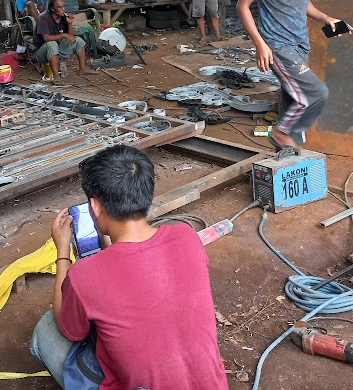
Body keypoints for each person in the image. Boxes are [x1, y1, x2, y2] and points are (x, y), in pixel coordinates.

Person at [30, 145, 227, 390]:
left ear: (96, 207)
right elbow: (144, 276)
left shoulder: (85, 275)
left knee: (47, 328)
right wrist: (109, 245)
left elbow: (71, 330)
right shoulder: (187, 237)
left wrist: (62, 252)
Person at [236, 0, 345, 150]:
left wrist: (326, 18)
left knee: (292, 100)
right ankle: (283, 134)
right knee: (317, 93)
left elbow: (302, 1)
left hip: (300, 45)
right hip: (278, 46)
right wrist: (261, 45)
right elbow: (243, 7)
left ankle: (286, 162)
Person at [34, 0, 96, 81]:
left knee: (78, 41)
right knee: (52, 44)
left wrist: (70, 23)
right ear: (52, 9)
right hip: (42, 52)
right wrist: (63, 35)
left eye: (64, 6)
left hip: (58, 48)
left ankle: (82, 69)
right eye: (60, 7)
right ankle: (56, 76)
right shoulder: (43, 18)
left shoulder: (64, 17)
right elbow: (46, 38)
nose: (63, 9)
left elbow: (71, 36)